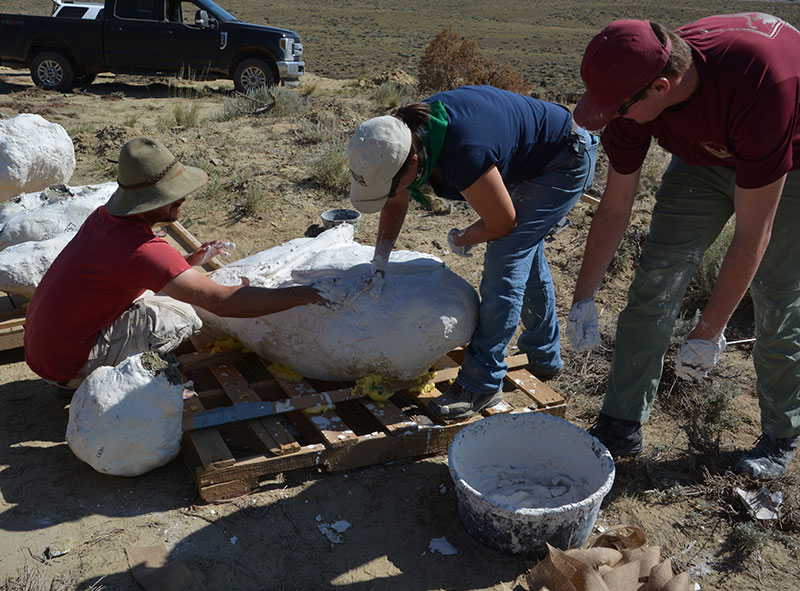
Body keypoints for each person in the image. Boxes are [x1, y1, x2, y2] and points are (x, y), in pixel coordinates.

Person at [567, 14, 800, 479]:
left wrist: (709, 331)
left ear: (661, 86)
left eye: (618, 108)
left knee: (776, 297)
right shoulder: (632, 100)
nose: (611, 117)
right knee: (657, 276)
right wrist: (583, 298)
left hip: (787, 158)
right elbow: (614, 208)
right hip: (703, 155)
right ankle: (620, 422)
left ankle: (781, 434)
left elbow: (753, 234)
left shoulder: (761, 85)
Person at [347, 85, 598, 421]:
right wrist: (379, 262)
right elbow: (396, 194)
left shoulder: (463, 153)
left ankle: (481, 382)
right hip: (535, 155)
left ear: (415, 162)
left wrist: (464, 237)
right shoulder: (398, 138)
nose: (394, 191)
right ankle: (544, 355)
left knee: (506, 259)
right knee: (525, 251)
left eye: (394, 184)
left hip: (564, 159)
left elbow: (503, 223)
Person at [24, 137, 325, 387]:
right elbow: (221, 302)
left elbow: (127, 270)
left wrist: (187, 261)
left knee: (161, 296)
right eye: (173, 196)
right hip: (68, 366)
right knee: (183, 314)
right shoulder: (144, 251)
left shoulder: (104, 218)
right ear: (150, 201)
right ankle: (121, 382)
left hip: (45, 352)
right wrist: (302, 295)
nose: (182, 200)